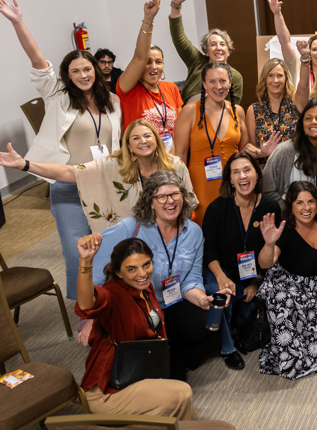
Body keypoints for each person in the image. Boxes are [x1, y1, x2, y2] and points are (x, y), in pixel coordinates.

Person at [0, 0, 122, 299]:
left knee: (110, 246)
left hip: (104, 184)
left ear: (96, 70)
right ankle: (84, 309)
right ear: (67, 75)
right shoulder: (57, 96)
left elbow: (114, 144)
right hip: (68, 185)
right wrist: (18, 22)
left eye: (87, 69)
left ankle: (111, 301)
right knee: (77, 252)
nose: (83, 75)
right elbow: (37, 59)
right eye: (75, 71)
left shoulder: (112, 102)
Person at [93, 172, 228, 380]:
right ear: (150, 201)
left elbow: (191, 280)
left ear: (182, 196)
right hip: (138, 306)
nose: (170, 201)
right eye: (161, 196)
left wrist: (203, 300)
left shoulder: (193, 232)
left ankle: (166, 351)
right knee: (172, 374)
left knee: (207, 323)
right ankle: (162, 353)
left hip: (173, 302)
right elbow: (97, 272)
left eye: (175, 194)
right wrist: (91, 318)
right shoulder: (131, 228)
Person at [0, 119, 195, 235]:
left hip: (171, 232)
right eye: (136, 138)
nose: (143, 141)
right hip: (135, 237)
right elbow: (69, 172)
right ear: (129, 146)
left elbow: (189, 204)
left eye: (148, 135)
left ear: (156, 140)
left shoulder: (175, 166)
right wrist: (25, 164)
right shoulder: (115, 166)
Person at [74, 235, 196, 419]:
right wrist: (85, 262)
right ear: (119, 273)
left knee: (183, 407)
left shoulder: (145, 288)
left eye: (146, 265)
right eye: (132, 269)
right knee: (182, 393)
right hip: (108, 391)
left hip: (138, 373)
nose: (142, 273)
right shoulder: (113, 293)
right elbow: (86, 303)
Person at [257, 182, 317, 379]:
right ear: (291, 206)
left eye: (311, 201)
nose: (306, 208)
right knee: (283, 305)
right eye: (299, 202)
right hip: (289, 283)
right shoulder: (285, 229)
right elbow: (265, 263)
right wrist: (269, 243)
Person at [202, 153, 280, 370]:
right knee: (219, 293)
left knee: (258, 303)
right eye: (235, 172)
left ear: (257, 174)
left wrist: (255, 281)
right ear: (230, 179)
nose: (242, 176)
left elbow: (270, 254)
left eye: (247, 170)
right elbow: (209, 251)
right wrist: (221, 277)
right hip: (221, 269)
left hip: (255, 273)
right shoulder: (217, 209)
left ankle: (237, 325)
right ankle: (227, 348)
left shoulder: (270, 207)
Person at [173, 62, 247, 225]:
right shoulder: (190, 111)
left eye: (223, 81)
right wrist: (179, 192)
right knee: (205, 228)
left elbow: (245, 153)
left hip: (234, 186)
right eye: (212, 81)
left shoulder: (238, 111)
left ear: (230, 83)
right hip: (201, 187)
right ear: (204, 84)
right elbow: (180, 156)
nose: (218, 86)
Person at [117, 0, 184, 146]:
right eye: (148, 62)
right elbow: (139, 56)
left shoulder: (172, 88)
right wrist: (149, 19)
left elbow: (181, 128)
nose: (154, 66)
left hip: (171, 155)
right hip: (142, 155)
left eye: (158, 62)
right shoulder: (127, 88)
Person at [263, 99, 317, 206]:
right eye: (308, 118)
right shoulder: (286, 150)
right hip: (286, 210)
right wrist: (286, 211)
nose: (314, 122)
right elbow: (267, 188)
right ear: (302, 124)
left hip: (314, 210)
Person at [168, 0, 242, 103]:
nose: (218, 48)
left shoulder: (235, 77)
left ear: (228, 50)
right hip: (188, 112)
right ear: (206, 51)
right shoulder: (197, 62)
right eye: (213, 44)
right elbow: (179, 38)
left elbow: (232, 108)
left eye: (222, 44)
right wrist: (176, 5)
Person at [244, 59, 299, 164]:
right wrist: (263, 153)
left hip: (293, 167)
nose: (275, 80)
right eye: (270, 75)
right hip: (266, 168)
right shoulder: (254, 109)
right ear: (265, 79)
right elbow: (248, 146)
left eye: (279, 75)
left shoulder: (295, 104)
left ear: (286, 78)